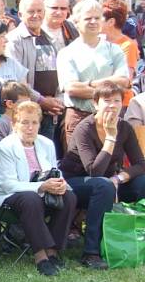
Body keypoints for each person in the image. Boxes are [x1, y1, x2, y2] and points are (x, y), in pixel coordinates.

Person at [59, 82, 145, 270]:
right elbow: (94, 171)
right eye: (107, 100)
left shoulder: (124, 127)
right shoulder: (84, 129)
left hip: (108, 182)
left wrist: (119, 178)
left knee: (141, 183)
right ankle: (91, 253)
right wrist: (111, 137)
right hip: (75, 183)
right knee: (102, 185)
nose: (113, 105)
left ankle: (137, 241)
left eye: (117, 100)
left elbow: (141, 164)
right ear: (95, 103)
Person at [0, 101, 77, 275]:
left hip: (40, 195)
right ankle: (41, 256)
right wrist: (42, 186)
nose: (30, 128)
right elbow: (8, 184)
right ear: (14, 125)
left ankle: (53, 252)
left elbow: (54, 171)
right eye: (24, 122)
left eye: (34, 123)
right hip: (6, 196)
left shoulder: (46, 144)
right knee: (30, 198)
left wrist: (60, 184)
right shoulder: (6, 146)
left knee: (69, 196)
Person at [57, 0, 129, 145]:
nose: (93, 22)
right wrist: (109, 89)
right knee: (78, 166)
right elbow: (72, 88)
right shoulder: (67, 53)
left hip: (110, 118)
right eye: (88, 18)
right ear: (76, 22)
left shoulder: (114, 50)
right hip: (78, 118)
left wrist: (90, 85)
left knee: (110, 164)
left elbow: (123, 82)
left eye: (97, 18)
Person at [4, 0, 65, 139]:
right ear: (20, 14)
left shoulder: (49, 38)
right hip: (29, 114)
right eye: (31, 11)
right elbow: (17, 79)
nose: (36, 15)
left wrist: (58, 101)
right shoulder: (14, 41)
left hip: (52, 113)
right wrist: (41, 101)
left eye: (39, 11)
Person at [102, 0, 138, 108]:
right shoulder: (98, 42)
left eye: (99, 18)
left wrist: (92, 83)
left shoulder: (128, 45)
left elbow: (125, 80)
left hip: (122, 105)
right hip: (101, 102)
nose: (94, 22)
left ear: (111, 22)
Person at [0, 81, 32, 155]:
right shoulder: (3, 123)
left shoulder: (25, 121)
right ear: (10, 104)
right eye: (24, 104)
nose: (29, 107)